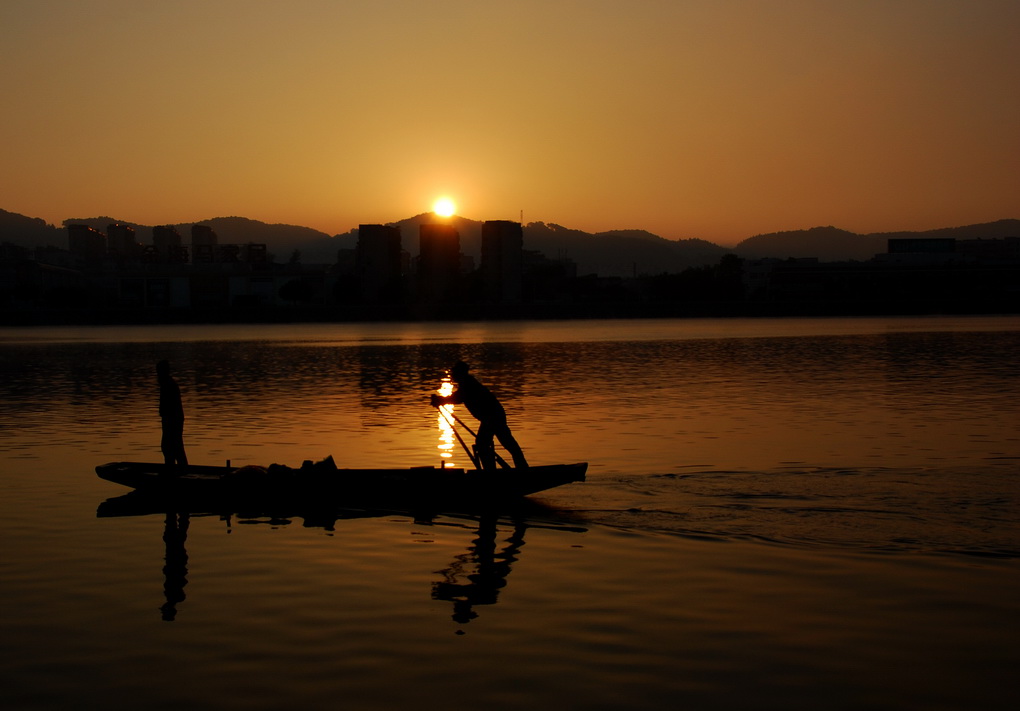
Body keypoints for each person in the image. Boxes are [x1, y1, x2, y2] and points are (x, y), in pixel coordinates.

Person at [431, 361, 529, 470]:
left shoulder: (468, 383)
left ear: (460, 373)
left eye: (454, 373)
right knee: (498, 443)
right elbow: (457, 397)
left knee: (488, 443)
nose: (452, 376)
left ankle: (494, 471)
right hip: (491, 416)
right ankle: (514, 469)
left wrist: (440, 400)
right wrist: (440, 400)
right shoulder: (466, 383)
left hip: (492, 416)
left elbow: (458, 397)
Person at [157, 360, 188, 466]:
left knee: (172, 447)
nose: (157, 375)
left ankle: (177, 470)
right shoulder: (167, 384)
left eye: (159, 372)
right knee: (170, 447)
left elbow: (170, 406)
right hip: (171, 419)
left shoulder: (168, 384)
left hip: (173, 420)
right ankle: (172, 468)